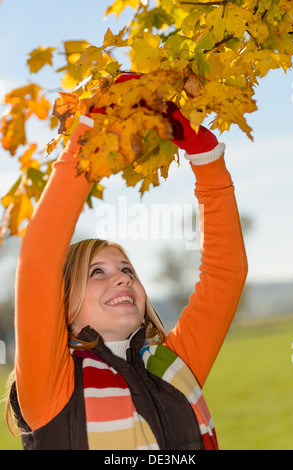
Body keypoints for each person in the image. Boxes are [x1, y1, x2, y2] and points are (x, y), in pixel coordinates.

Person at [6, 74, 248, 450]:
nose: (121, 279)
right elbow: (39, 260)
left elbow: (225, 273)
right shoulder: (51, 385)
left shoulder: (170, 365)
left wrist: (205, 157)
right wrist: (90, 137)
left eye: (127, 270)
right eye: (97, 272)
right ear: (63, 303)